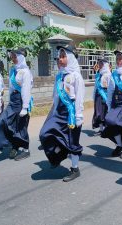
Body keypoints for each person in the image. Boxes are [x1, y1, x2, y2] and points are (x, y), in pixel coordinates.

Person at [39, 44, 85, 182]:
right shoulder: (59, 75)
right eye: (60, 56)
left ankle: (75, 169)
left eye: (63, 56)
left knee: (72, 142)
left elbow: (80, 98)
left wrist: (78, 116)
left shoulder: (76, 77)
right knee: (45, 133)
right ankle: (57, 156)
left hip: (71, 114)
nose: (60, 59)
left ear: (70, 58)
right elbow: (56, 95)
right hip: (58, 113)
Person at [0, 48, 33, 161]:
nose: (13, 58)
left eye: (15, 56)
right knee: (4, 123)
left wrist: (25, 107)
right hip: (13, 101)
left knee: (20, 126)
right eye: (12, 56)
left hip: (22, 101)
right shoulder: (12, 70)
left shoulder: (25, 72)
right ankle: (14, 145)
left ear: (21, 57)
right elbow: (11, 87)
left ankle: (25, 150)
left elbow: (26, 90)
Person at [92, 57, 111, 136]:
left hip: (105, 96)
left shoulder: (108, 75)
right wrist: (94, 95)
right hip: (98, 96)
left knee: (105, 112)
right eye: (99, 63)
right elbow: (96, 86)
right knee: (98, 113)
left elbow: (110, 88)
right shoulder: (99, 75)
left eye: (101, 63)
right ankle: (101, 129)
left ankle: (106, 129)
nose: (99, 65)